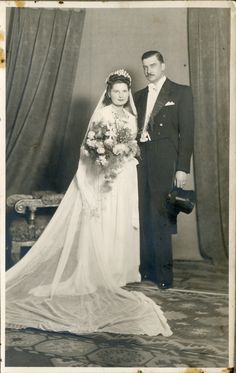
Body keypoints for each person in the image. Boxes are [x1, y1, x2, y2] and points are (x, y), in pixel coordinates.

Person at [6, 69, 172, 337]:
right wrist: (106, 154)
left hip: (126, 174)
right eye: (115, 91)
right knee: (106, 218)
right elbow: (89, 148)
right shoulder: (103, 114)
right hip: (105, 174)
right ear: (108, 93)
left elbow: (133, 144)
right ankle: (103, 270)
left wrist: (129, 151)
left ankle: (122, 271)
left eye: (123, 92)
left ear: (127, 93)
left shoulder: (131, 116)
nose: (119, 95)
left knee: (122, 220)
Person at [134, 50, 194, 289]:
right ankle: (146, 270)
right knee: (143, 215)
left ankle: (164, 275)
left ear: (163, 65)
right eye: (145, 66)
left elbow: (187, 133)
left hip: (165, 163)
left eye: (153, 65)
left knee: (161, 216)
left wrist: (182, 168)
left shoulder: (180, 92)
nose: (148, 70)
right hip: (140, 163)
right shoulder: (137, 96)